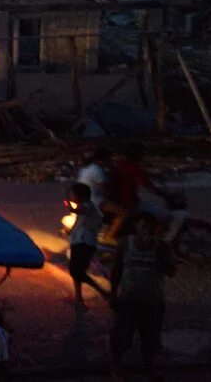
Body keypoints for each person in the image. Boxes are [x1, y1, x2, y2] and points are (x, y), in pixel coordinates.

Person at [110, 211, 175, 381]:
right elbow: (116, 270)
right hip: (128, 299)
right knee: (122, 336)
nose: (147, 229)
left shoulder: (162, 247)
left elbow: (170, 272)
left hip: (153, 301)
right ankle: (117, 366)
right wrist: (112, 294)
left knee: (151, 338)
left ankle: (148, 367)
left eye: (150, 226)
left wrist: (158, 248)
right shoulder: (125, 243)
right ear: (136, 226)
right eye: (143, 225)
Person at [67, 182, 109, 311]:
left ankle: (102, 291)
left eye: (72, 194)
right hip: (79, 242)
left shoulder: (88, 206)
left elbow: (80, 211)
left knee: (77, 272)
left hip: (84, 243)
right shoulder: (88, 207)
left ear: (80, 196)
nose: (71, 196)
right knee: (76, 272)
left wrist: (70, 207)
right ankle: (79, 300)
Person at [77, 146, 112, 213]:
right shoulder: (97, 170)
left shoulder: (85, 168)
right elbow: (106, 189)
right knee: (123, 212)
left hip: (84, 199)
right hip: (96, 201)